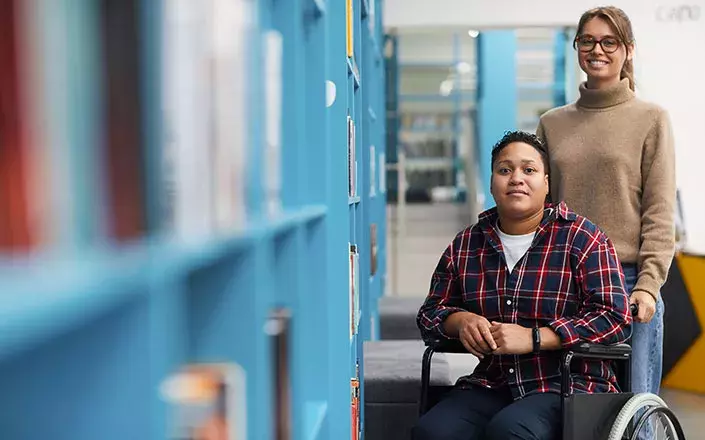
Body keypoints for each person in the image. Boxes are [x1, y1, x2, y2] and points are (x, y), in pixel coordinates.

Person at [412, 131, 632, 440]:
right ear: (491, 184)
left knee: (511, 431)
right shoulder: (466, 244)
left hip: (568, 384)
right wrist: (459, 321)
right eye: (505, 170)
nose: (516, 178)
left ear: (547, 184)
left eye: (528, 170)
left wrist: (536, 338)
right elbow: (429, 314)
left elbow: (615, 318)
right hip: (494, 382)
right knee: (433, 432)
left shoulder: (582, 238)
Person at [536, 6, 676, 399]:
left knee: (634, 409)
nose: (597, 49)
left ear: (627, 50)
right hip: (563, 284)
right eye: (587, 40)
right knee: (568, 407)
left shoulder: (651, 119)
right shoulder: (552, 123)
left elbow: (659, 211)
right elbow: (539, 208)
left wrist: (649, 286)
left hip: (628, 284)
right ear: (577, 47)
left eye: (609, 41)